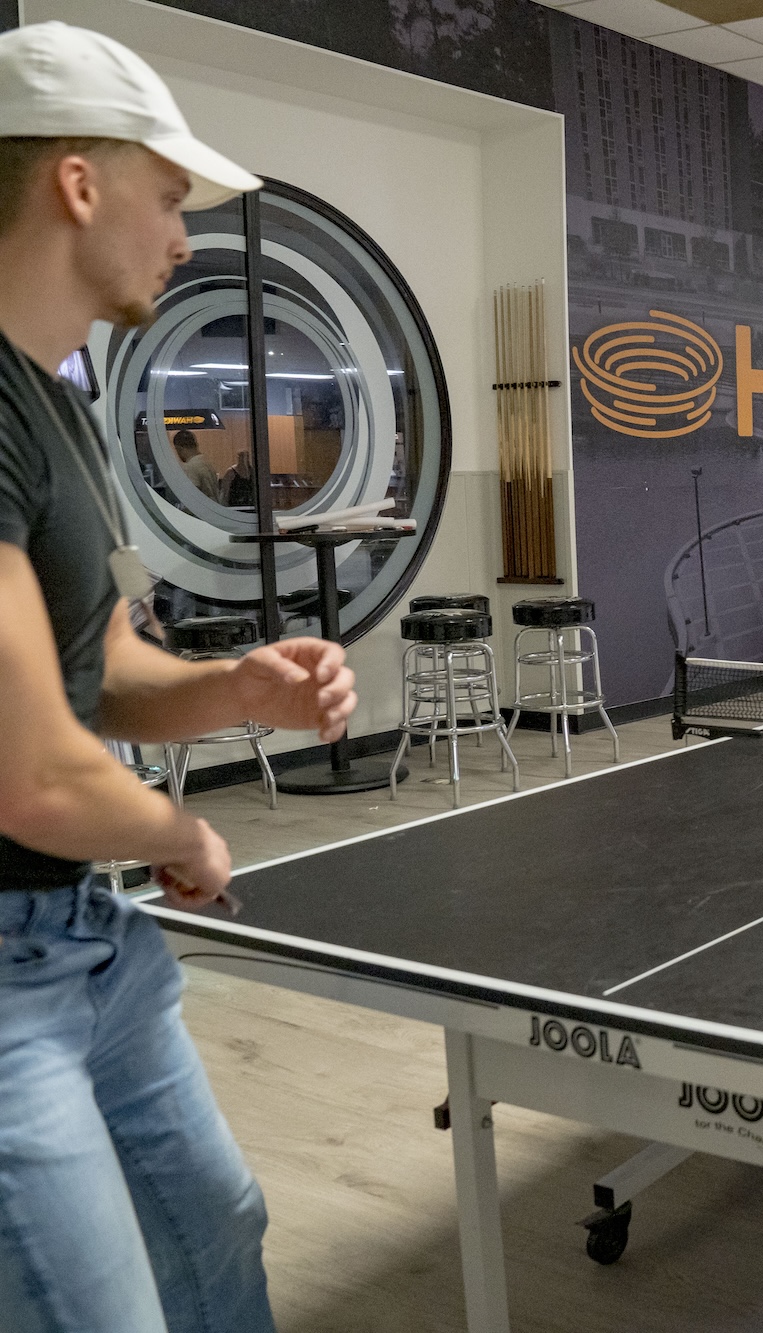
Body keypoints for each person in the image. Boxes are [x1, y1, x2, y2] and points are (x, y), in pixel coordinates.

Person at [0, 22, 358, 1332]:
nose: (187, 236)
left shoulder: (59, 405)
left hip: (90, 941)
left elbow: (90, 670)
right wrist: (178, 825)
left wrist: (233, 690)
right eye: (169, 197)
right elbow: (33, 771)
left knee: (218, 1237)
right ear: (76, 185)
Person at [171, 427, 222, 502]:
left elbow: (193, 498)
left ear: (180, 448)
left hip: (202, 511)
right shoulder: (206, 462)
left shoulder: (190, 467)